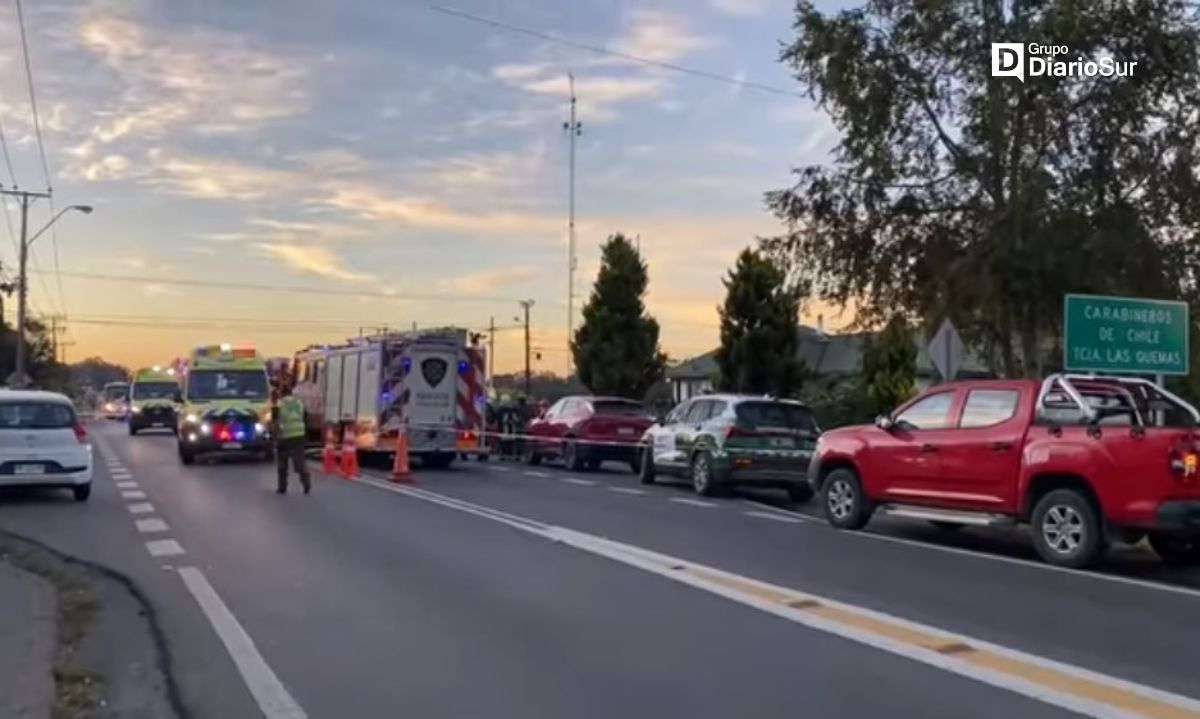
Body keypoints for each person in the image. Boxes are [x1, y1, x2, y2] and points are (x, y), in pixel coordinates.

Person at [272, 382, 311, 495]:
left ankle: (282, 487)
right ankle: (306, 482)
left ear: (281, 393)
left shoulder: (278, 404)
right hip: (299, 435)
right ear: (291, 392)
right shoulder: (299, 402)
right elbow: (306, 418)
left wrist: (275, 436)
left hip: (284, 436)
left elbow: (275, 422)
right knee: (299, 462)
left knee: (282, 464)